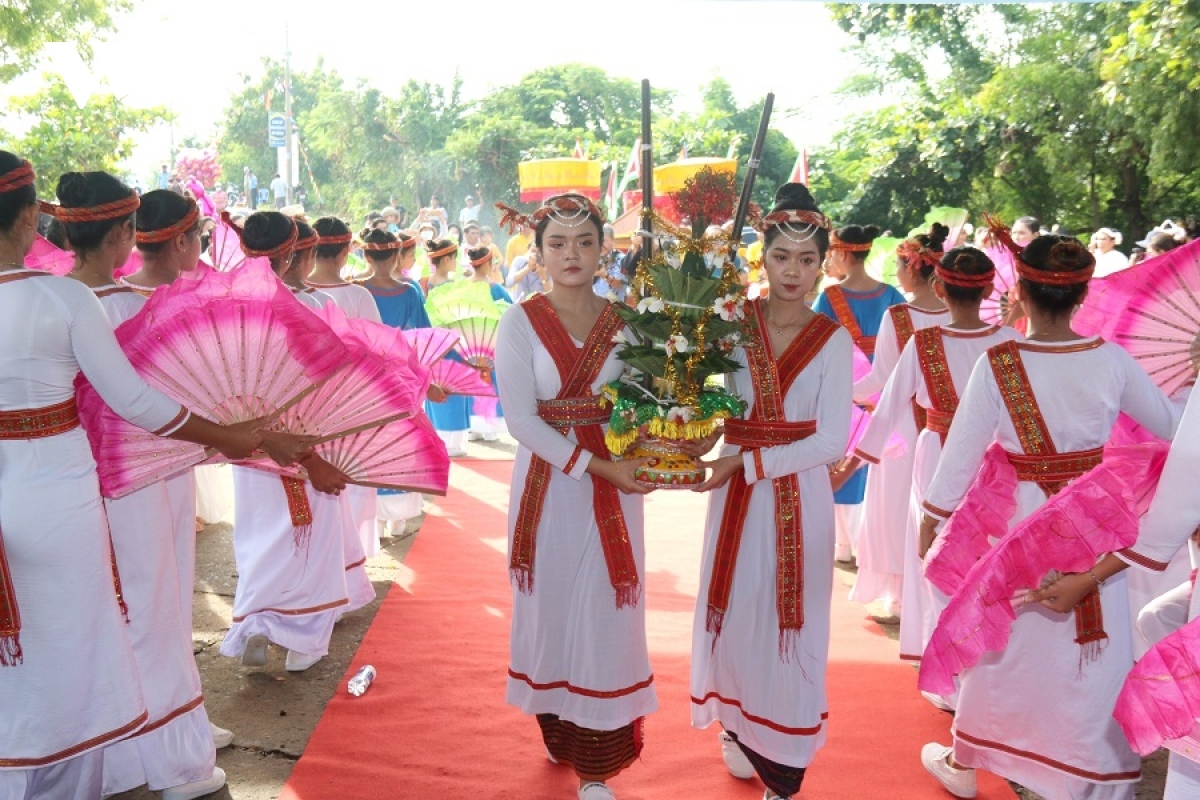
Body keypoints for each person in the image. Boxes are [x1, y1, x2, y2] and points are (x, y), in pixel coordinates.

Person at [0, 152, 304, 800]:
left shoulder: (78, 295)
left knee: (22, 648)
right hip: (84, 494)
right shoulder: (65, 298)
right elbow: (135, 403)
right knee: (120, 625)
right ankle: (153, 760)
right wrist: (233, 436)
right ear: (29, 218)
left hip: (25, 499)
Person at [917, 233, 1181, 800]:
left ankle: (971, 758)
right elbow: (1172, 425)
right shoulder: (1109, 359)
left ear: (1022, 295)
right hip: (1093, 522)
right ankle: (1094, 776)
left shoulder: (1000, 362)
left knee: (1007, 638)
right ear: (1083, 296)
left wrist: (933, 518)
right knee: (1094, 647)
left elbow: (962, 451)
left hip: (1023, 525)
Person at [688, 183, 852, 800]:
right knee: (735, 606)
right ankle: (737, 725)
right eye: (783, 256)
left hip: (793, 497)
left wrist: (748, 464)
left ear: (822, 263)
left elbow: (831, 439)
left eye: (808, 260)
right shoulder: (732, 323)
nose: (794, 271)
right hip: (732, 493)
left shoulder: (831, 339)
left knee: (790, 618)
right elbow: (696, 393)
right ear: (763, 255)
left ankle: (782, 766)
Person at [494, 193, 656, 800]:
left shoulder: (629, 321)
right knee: (555, 606)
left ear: (604, 249)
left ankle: (598, 765)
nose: (571, 254)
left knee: (608, 610)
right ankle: (559, 730)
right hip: (549, 485)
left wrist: (654, 441)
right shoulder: (519, 320)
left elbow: (643, 404)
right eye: (556, 244)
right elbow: (520, 421)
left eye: (584, 242)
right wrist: (598, 467)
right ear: (536, 254)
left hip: (614, 488)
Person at [851, 245, 1020, 702]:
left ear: (940, 286)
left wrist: (852, 458)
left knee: (936, 553)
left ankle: (945, 667)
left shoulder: (925, 343)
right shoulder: (1009, 341)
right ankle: (989, 662)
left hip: (939, 451)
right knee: (987, 552)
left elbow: (886, 409)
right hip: (998, 461)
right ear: (988, 289)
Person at [219, 211, 356, 675]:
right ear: (295, 255)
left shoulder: (223, 303)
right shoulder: (309, 309)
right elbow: (332, 380)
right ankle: (303, 644)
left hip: (245, 439)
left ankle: (257, 621)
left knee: (259, 536)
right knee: (313, 538)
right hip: (305, 439)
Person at [842, 225, 951, 622]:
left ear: (911, 268)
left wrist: (840, 392)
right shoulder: (958, 316)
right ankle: (933, 591)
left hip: (903, 423)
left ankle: (901, 597)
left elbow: (880, 381)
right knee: (934, 507)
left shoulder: (899, 316)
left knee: (894, 509)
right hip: (946, 426)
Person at [813, 224, 905, 564]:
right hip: (886, 386)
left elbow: (817, 344)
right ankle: (872, 545)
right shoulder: (893, 294)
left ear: (844, 253)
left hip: (842, 384)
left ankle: (843, 545)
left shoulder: (829, 297)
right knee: (876, 462)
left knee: (840, 455)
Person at [304, 216, 384, 590]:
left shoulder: (299, 292)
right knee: (348, 483)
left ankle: (321, 573)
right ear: (347, 250)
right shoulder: (357, 296)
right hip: (351, 402)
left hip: (306, 406)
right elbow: (377, 352)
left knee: (314, 490)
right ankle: (345, 574)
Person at [360, 227, 432, 538]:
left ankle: (373, 515)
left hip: (367, 380)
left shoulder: (356, 289)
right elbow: (424, 338)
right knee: (402, 443)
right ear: (396, 256)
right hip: (403, 378)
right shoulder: (411, 291)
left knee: (373, 443)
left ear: (366, 255)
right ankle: (399, 517)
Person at [421, 236, 471, 456]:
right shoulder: (456, 286)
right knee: (454, 390)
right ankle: (453, 442)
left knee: (437, 388)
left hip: (432, 346)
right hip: (453, 344)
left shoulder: (421, 283)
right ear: (449, 259)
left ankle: (439, 437)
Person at [464, 245, 511, 443]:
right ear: (489, 264)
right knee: (491, 382)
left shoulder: (462, 287)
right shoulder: (497, 288)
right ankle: (490, 427)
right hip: (491, 343)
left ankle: (473, 427)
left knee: (470, 383)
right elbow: (511, 311)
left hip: (468, 343)